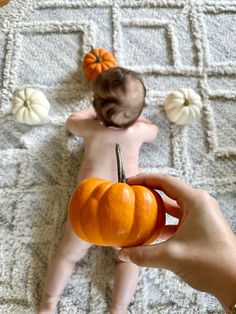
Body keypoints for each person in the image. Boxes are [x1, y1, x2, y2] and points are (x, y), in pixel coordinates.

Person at [39, 67, 158, 314]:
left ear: (97, 107)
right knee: (129, 260)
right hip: (125, 213)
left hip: (88, 208)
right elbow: (154, 131)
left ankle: (48, 303)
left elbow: (71, 122)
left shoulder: (92, 129)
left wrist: (94, 110)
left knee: (67, 255)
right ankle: (119, 308)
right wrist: (138, 118)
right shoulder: (138, 131)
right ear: (138, 112)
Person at [118, 173, 236, 312]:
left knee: (127, 263)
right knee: (128, 259)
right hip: (128, 223)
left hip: (136, 227)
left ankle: (118, 307)